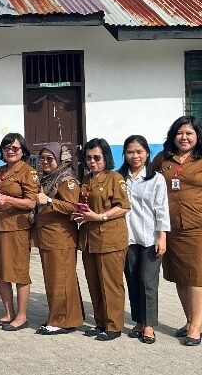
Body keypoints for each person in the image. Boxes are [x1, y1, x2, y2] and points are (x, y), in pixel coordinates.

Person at [152, 116, 202, 347]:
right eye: (179, 133)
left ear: (197, 136)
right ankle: (189, 321)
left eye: (189, 133)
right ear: (172, 135)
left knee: (199, 277)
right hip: (172, 228)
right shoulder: (163, 159)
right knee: (180, 276)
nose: (184, 137)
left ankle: (196, 328)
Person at [73, 138, 130, 342]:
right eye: (88, 158)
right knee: (94, 282)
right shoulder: (86, 180)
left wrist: (100, 216)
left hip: (110, 238)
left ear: (106, 157)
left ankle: (114, 326)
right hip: (89, 239)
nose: (92, 162)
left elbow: (123, 206)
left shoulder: (114, 178)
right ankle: (100, 322)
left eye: (97, 157)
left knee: (110, 283)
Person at [0, 133, 38, 331]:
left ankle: (22, 316)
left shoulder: (28, 172)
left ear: (23, 151)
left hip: (17, 228)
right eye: (7, 148)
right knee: (1, 272)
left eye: (15, 148)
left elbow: (32, 202)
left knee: (19, 273)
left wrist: (10, 200)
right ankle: (8, 313)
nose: (11, 151)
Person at [120, 135, 170, 345]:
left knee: (148, 280)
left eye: (139, 152)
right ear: (125, 154)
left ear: (147, 153)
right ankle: (139, 321)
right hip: (127, 237)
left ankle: (149, 325)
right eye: (131, 152)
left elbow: (162, 209)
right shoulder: (119, 178)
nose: (135, 156)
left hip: (150, 237)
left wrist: (162, 236)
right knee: (132, 278)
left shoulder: (155, 178)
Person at [32, 143, 84, 335]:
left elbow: (74, 206)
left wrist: (50, 201)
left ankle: (61, 320)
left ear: (60, 160)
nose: (45, 162)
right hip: (49, 237)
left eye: (49, 158)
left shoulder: (66, 180)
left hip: (61, 237)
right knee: (56, 279)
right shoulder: (49, 178)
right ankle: (65, 316)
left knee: (60, 279)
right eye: (42, 158)